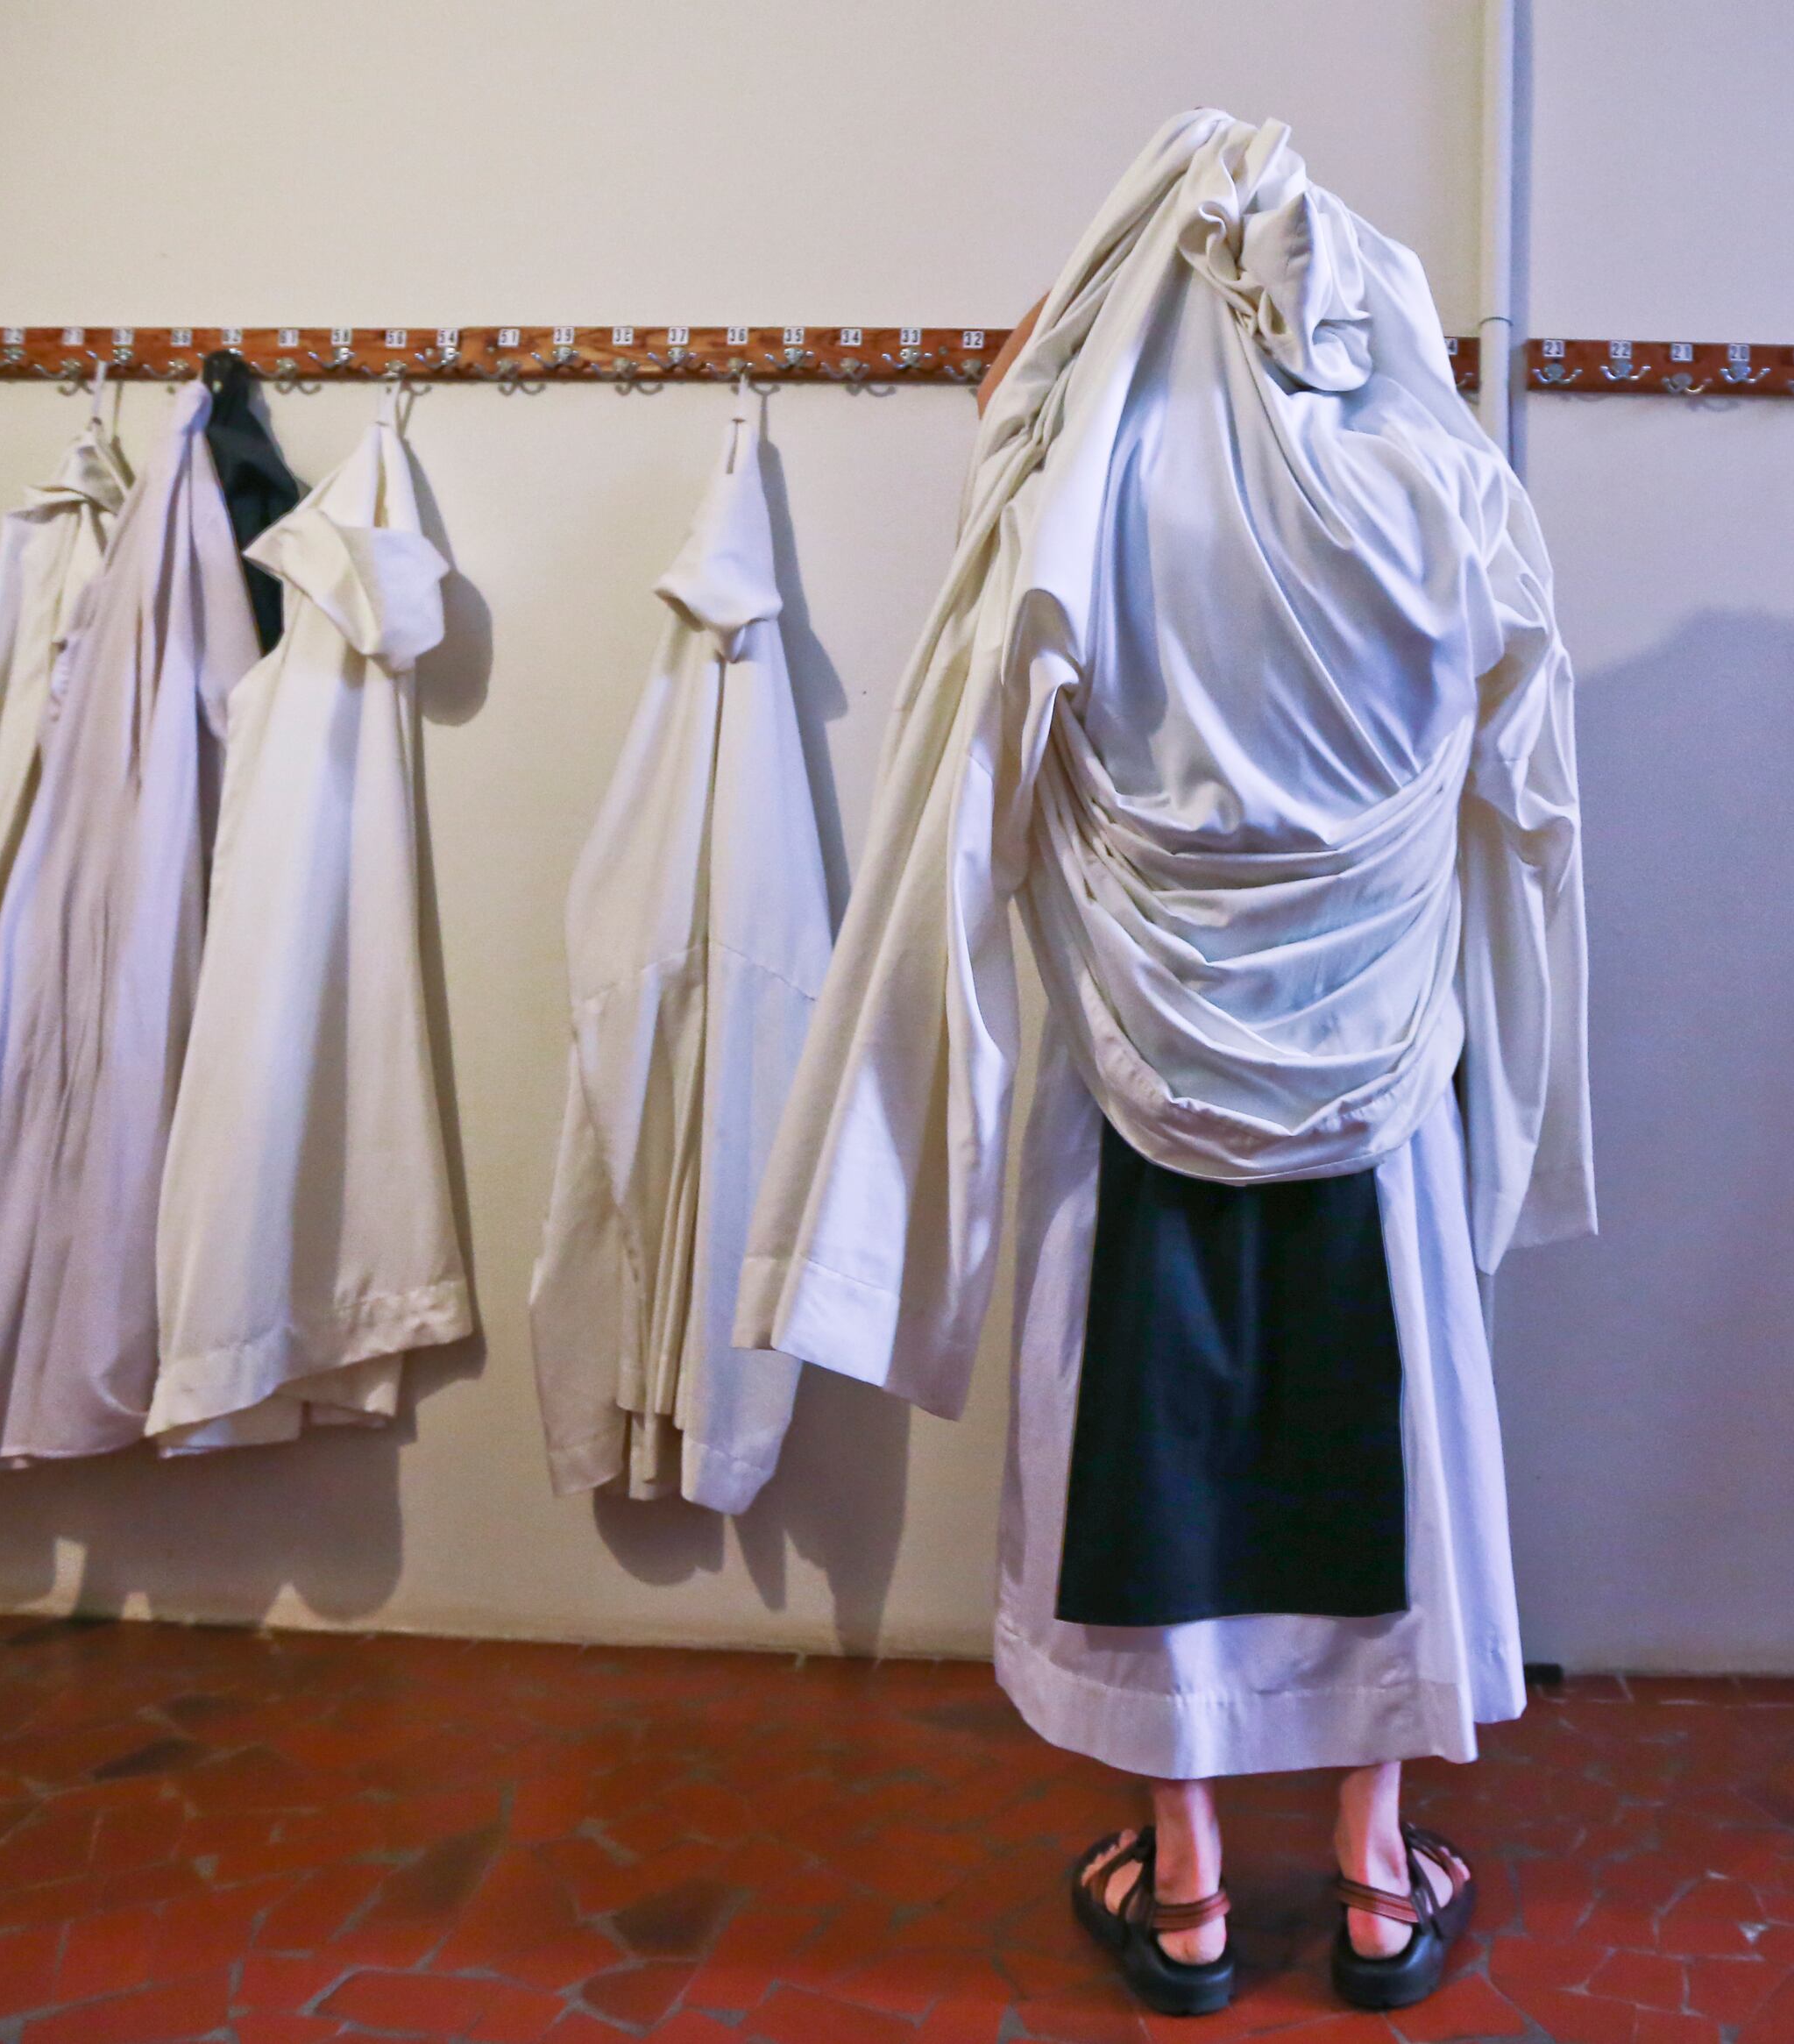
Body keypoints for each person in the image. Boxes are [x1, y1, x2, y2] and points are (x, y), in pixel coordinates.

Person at [735, 114, 1590, 2015]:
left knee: (1152, 1436)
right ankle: (1377, 1875)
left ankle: (1188, 1883)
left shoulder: (1095, 471)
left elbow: (991, 716)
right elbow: (1521, 778)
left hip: (1140, 1055)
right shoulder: (1435, 485)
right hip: (1376, 1071)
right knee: (1390, 1437)